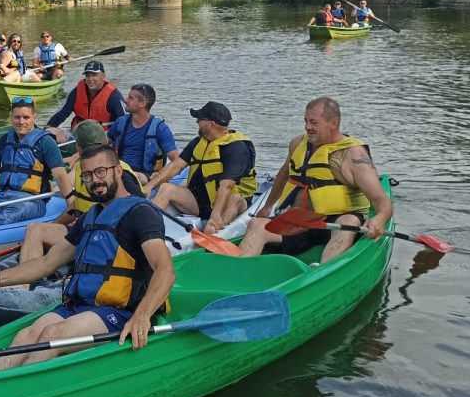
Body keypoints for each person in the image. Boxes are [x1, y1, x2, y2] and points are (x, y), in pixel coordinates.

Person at [0, 145, 176, 371]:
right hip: (82, 306)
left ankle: (15, 392)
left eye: (101, 171)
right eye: (88, 175)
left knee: (53, 335)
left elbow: (165, 270)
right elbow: (46, 263)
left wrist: (142, 315)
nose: (95, 180)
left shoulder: (140, 213)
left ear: (118, 171)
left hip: (121, 311)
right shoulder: (91, 217)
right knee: (28, 334)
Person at [238, 96, 393, 263]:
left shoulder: (353, 154)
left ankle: (323, 272)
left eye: (313, 122)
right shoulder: (297, 144)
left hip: (338, 224)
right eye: (305, 121)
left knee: (350, 220)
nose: (307, 127)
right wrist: (267, 207)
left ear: (333, 123)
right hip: (302, 223)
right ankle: (239, 272)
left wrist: (379, 219)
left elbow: (382, 203)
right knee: (256, 224)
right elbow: (284, 174)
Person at [18, 119, 144, 262]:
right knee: (34, 230)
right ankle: (24, 282)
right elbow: (75, 206)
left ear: (78, 148)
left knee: (35, 231)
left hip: (109, 236)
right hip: (84, 230)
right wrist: (53, 226)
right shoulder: (80, 169)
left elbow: (139, 207)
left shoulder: (120, 172)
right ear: (105, 143)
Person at [151, 101, 257, 235]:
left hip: (228, 202)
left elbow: (226, 186)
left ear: (210, 124)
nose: (197, 122)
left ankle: (217, 229)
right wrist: (147, 188)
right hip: (201, 201)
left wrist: (215, 215)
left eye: (199, 119)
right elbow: (175, 166)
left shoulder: (237, 148)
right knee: (167, 188)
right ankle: (147, 227)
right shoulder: (198, 142)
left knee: (235, 199)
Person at [106, 83, 181, 190]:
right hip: (119, 169)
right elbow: (103, 144)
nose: (126, 100)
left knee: (133, 176)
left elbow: (177, 161)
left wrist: (160, 175)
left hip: (144, 175)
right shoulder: (120, 122)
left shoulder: (161, 129)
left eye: (131, 98)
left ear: (142, 103)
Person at [46, 61, 125, 140]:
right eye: (88, 75)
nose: (90, 79)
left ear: (103, 76)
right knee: (50, 132)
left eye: (94, 75)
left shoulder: (114, 95)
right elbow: (61, 113)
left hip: (103, 135)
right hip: (79, 133)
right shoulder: (77, 92)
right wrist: (48, 127)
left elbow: (125, 120)